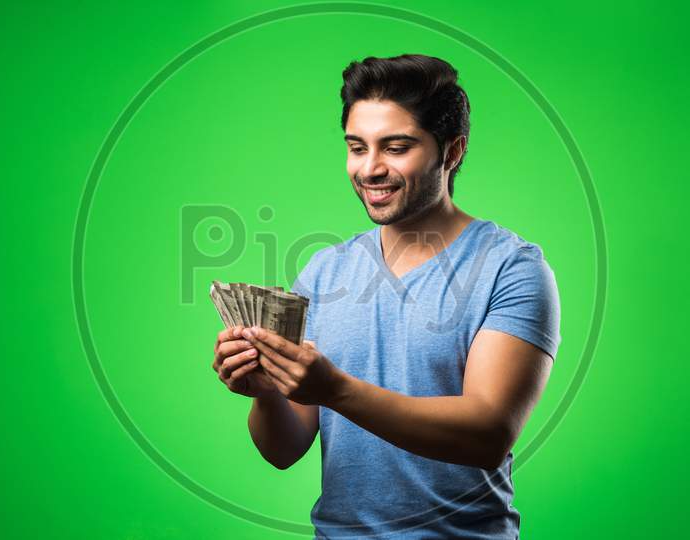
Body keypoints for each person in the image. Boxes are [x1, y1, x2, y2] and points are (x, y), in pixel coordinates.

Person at [212, 53, 561, 539]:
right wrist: (266, 393)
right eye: (357, 147)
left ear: (452, 150)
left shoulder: (511, 268)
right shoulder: (324, 270)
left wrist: (334, 388)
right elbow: (283, 450)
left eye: (396, 148)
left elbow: (487, 433)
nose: (370, 168)